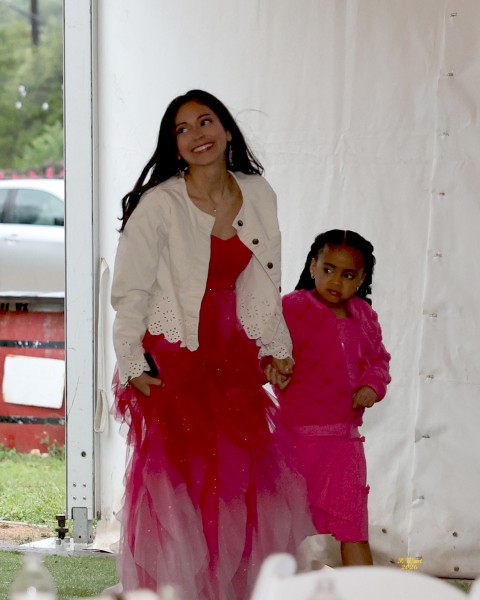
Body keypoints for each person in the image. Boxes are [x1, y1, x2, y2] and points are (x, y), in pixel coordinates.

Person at [110, 89, 311, 600]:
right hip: (173, 354)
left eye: (205, 122)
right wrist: (131, 361)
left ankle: (228, 590)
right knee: (181, 482)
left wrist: (275, 347)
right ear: (174, 146)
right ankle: (178, 589)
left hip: (232, 355)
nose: (197, 135)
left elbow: (264, 278)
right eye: (183, 129)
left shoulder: (258, 192)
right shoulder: (160, 203)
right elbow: (130, 291)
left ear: (225, 130)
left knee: (238, 479)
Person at [269, 229, 391, 567]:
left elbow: (379, 360)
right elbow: (264, 350)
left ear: (361, 279)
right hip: (294, 442)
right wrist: (273, 367)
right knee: (283, 528)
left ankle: (364, 590)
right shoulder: (291, 308)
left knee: (354, 528)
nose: (336, 280)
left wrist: (372, 386)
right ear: (313, 266)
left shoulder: (363, 315)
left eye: (348, 275)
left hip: (343, 445)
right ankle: (276, 587)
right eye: (328, 269)